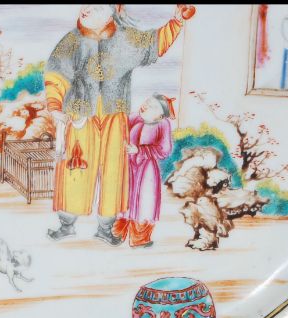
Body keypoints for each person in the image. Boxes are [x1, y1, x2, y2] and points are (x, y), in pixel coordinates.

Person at [44, 4, 187, 245]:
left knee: (114, 171)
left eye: (96, 7)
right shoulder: (72, 40)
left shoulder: (127, 39)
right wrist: (55, 106)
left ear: (111, 12)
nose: (87, 10)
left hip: (114, 116)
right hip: (81, 115)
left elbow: (155, 43)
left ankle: (105, 228)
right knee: (75, 168)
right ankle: (66, 224)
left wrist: (177, 21)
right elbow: (55, 74)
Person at [113, 94, 175, 248]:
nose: (146, 106)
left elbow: (164, 150)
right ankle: (118, 233)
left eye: (152, 106)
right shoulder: (134, 118)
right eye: (147, 102)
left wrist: (140, 150)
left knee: (145, 203)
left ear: (160, 115)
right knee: (124, 199)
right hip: (128, 166)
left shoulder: (163, 124)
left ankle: (139, 238)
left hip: (147, 169)